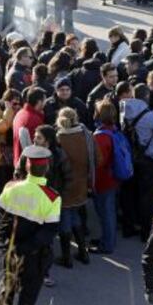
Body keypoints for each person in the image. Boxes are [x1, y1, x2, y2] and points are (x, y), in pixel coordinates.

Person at [0, 145, 61, 305]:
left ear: (26, 167)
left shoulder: (11, 187)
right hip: (34, 258)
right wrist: (25, 248)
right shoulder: (52, 197)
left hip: (10, 253)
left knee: (5, 295)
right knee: (27, 302)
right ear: (46, 168)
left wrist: (5, 245)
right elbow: (48, 233)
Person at [120, 84, 153, 241]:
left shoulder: (123, 110)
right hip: (148, 159)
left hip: (130, 158)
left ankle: (129, 225)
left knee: (129, 193)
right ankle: (145, 231)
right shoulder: (150, 115)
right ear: (147, 96)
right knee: (146, 195)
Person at [55, 107, 95, 265]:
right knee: (76, 216)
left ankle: (67, 258)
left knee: (65, 218)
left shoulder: (58, 138)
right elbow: (97, 158)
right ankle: (83, 253)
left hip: (64, 184)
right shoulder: (86, 135)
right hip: (81, 184)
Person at [0, 89, 22, 209]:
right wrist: (8, 111)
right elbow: (0, 128)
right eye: (13, 103)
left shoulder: (18, 112)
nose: (16, 106)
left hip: (11, 155)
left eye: (18, 103)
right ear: (6, 102)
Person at [91, 100, 119, 254]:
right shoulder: (113, 130)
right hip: (112, 177)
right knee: (109, 211)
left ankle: (107, 244)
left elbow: (98, 161)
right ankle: (107, 239)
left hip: (103, 180)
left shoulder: (100, 136)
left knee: (105, 212)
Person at [13, 86, 46, 166]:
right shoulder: (34, 120)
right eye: (44, 100)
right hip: (30, 167)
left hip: (18, 161)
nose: (46, 103)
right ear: (39, 102)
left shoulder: (20, 113)